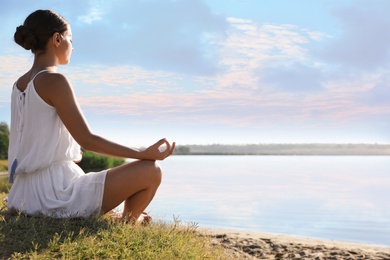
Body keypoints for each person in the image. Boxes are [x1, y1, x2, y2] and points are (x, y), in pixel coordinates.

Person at [8, 9, 175, 224]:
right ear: (57, 39)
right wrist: (143, 153)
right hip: (53, 194)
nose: (73, 46)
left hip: (22, 194)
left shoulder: (18, 85)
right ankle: (128, 222)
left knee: (106, 178)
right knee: (151, 171)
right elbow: (87, 139)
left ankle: (122, 218)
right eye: (70, 38)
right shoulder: (53, 80)